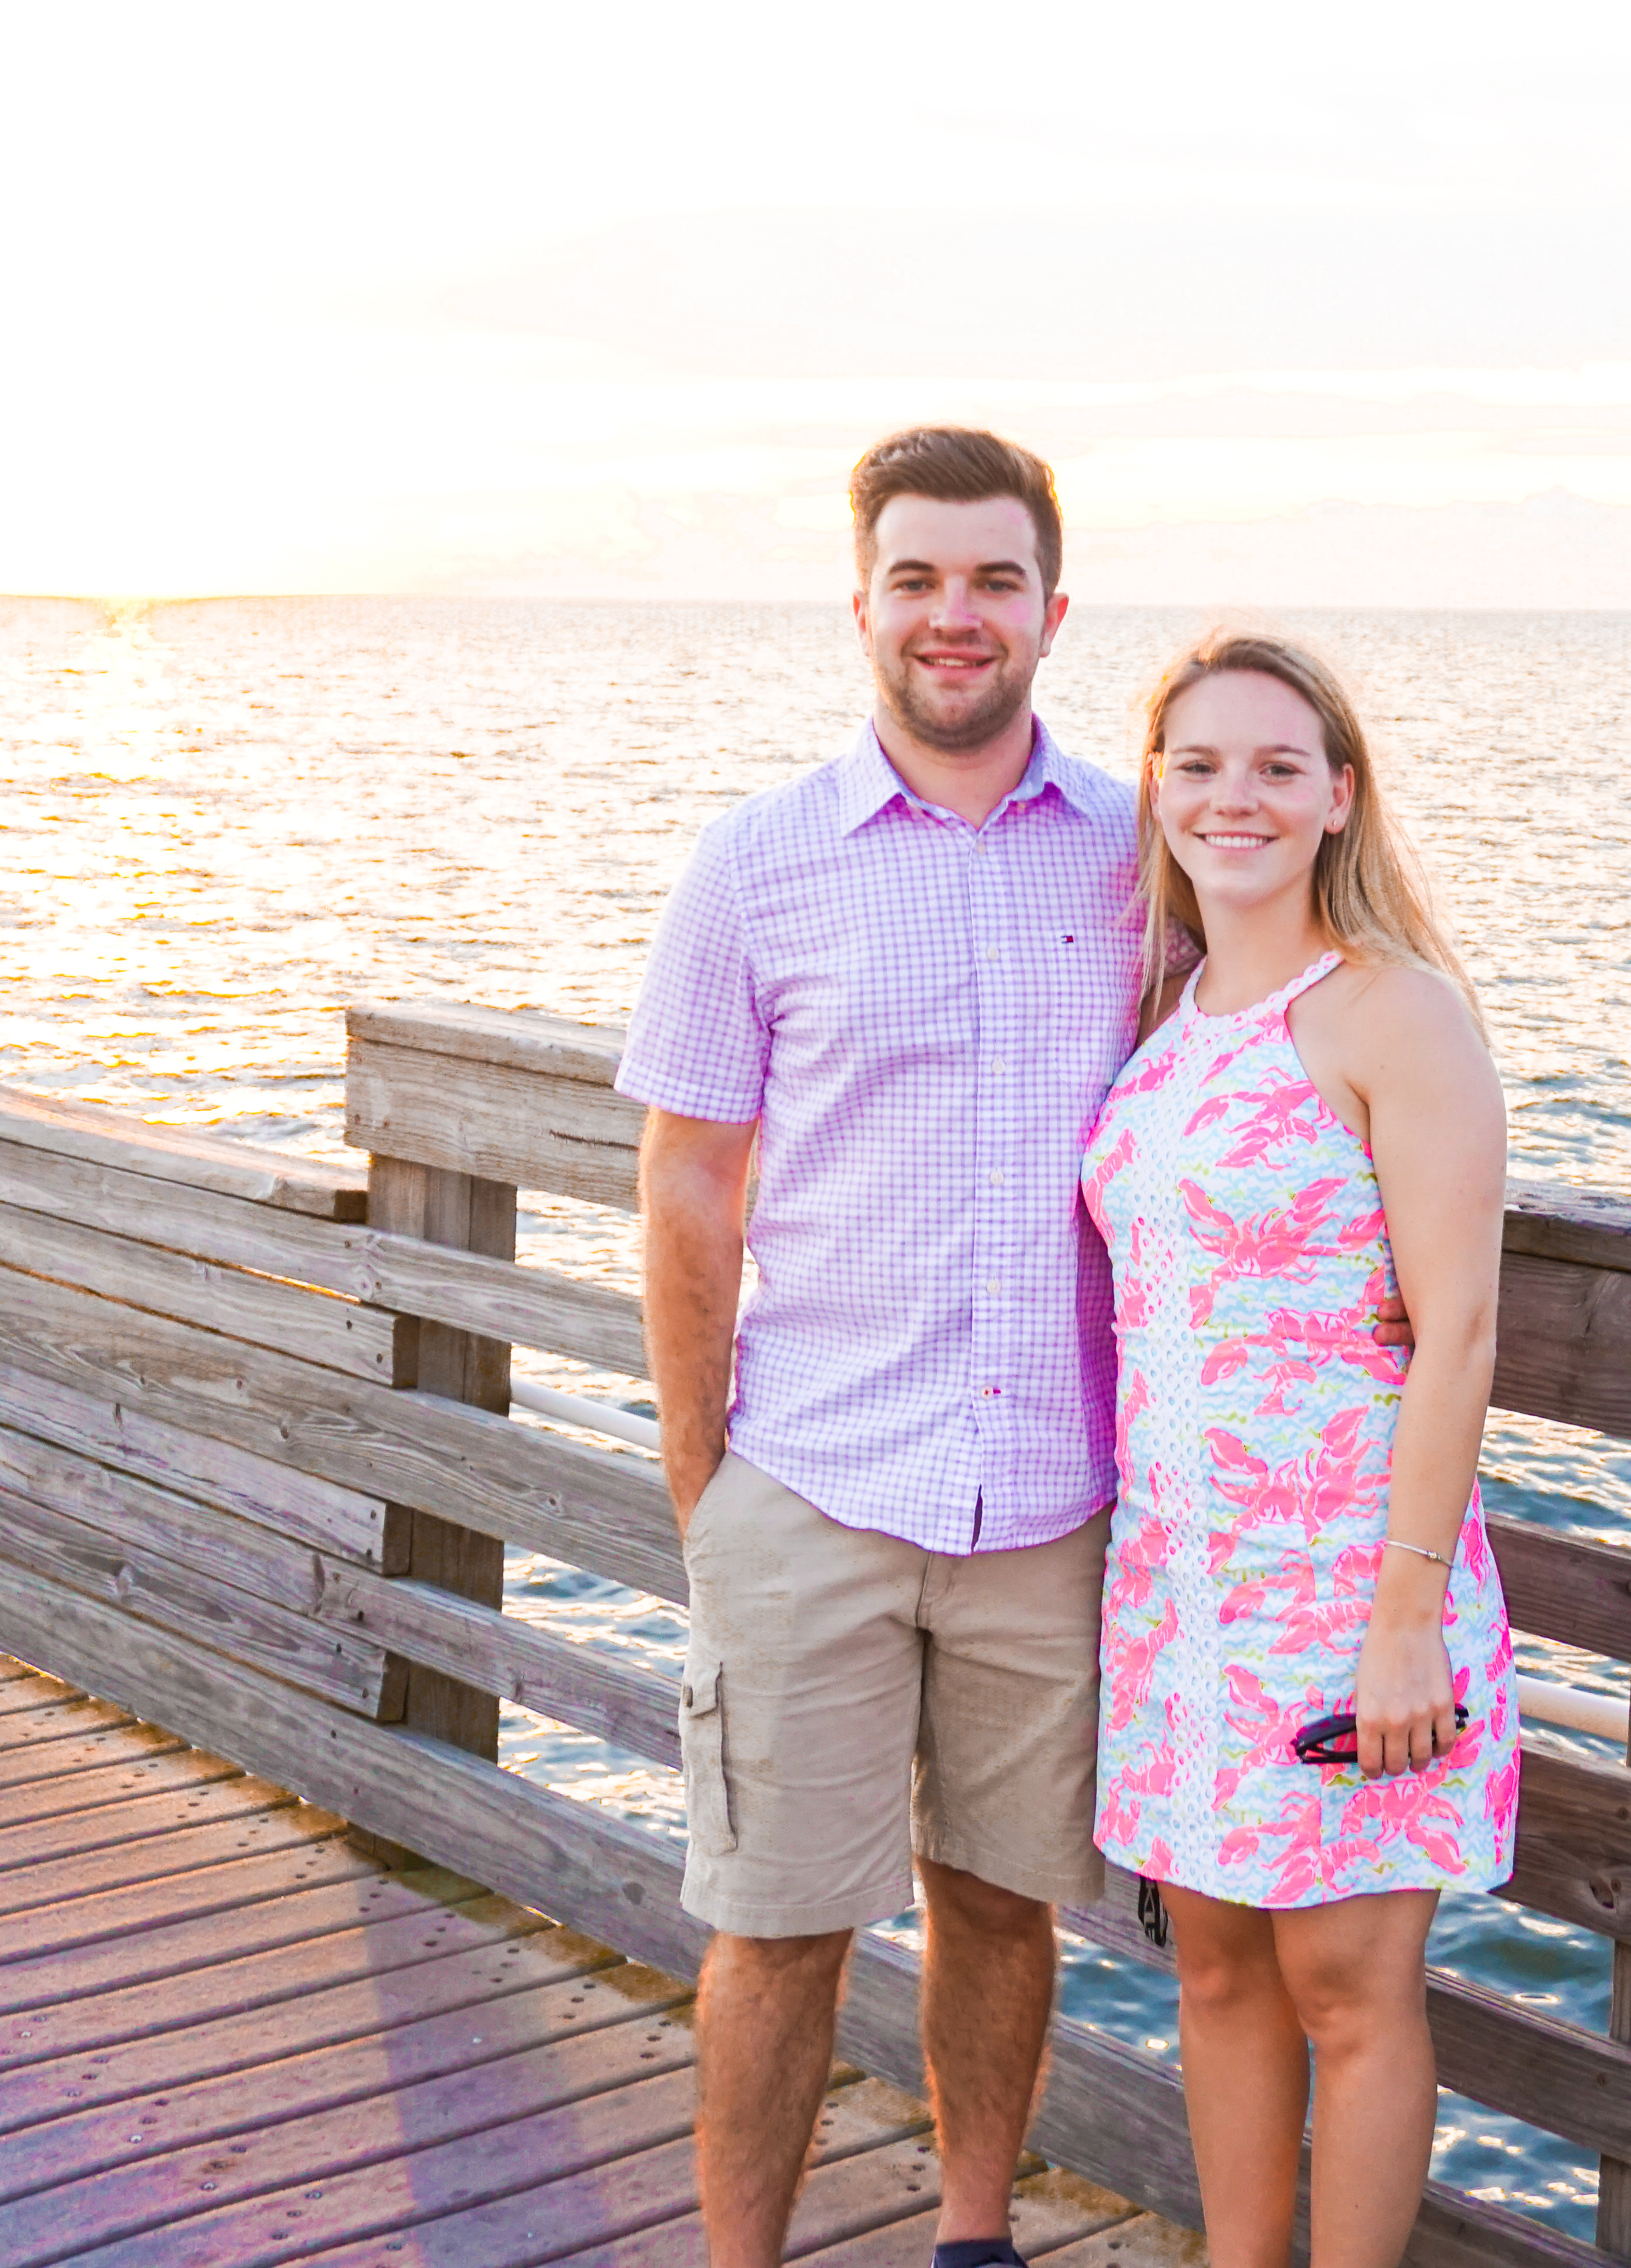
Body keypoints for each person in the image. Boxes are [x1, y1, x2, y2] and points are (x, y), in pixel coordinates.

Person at [619, 426, 1141, 2268]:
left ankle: (976, 2241)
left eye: (994, 578)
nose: (955, 614)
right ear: (862, 606)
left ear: (1052, 611)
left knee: (1006, 1911)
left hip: (1053, 1503)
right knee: (775, 1926)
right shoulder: (761, 867)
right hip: (815, 1484)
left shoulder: (1149, 855)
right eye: (917, 577)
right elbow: (686, 1186)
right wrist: (710, 1489)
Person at [1083, 631, 1518, 2268]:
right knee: (1212, 1969)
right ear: (1158, 791)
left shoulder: (1393, 1015)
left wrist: (1406, 1611)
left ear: (1340, 795)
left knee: (1349, 1987)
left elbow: (1458, 1333)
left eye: (1275, 765)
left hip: (1350, 1586)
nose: (1233, 797)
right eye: (1196, 764)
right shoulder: (1175, 1016)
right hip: (1184, 1596)